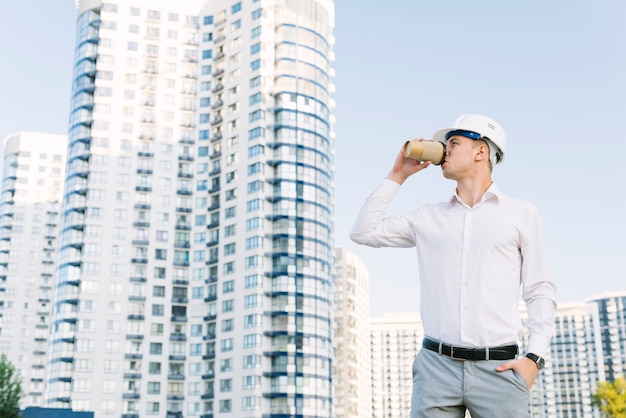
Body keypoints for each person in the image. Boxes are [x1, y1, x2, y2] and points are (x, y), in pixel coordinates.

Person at [350, 114, 557, 417]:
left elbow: (540, 291)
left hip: (499, 369)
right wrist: (398, 174)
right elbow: (363, 232)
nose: (445, 150)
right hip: (435, 368)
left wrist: (534, 359)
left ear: (481, 151)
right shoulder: (426, 218)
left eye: (454, 143)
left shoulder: (522, 215)